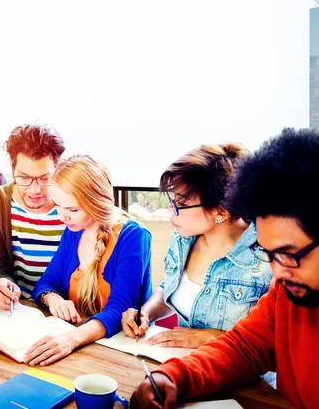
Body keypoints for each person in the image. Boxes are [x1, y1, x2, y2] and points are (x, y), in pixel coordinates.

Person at [131, 128, 319, 409]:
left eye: (288, 255)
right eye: (269, 254)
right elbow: (246, 348)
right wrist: (171, 376)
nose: (277, 274)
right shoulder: (286, 289)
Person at [121, 143, 272, 349]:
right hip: (184, 366)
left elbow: (276, 344)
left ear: (221, 211)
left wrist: (208, 338)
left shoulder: (269, 259)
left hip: (245, 379)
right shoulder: (183, 237)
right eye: (173, 200)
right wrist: (145, 313)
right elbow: (168, 288)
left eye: (181, 205)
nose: (170, 209)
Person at [24, 154, 153, 366]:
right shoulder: (74, 229)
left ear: (96, 202)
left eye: (72, 209)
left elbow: (119, 309)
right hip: (80, 347)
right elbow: (46, 282)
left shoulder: (134, 236)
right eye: (58, 205)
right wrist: (53, 299)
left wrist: (69, 340)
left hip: (117, 353)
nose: (62, 217)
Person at [0, 123, 66, 310]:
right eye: (24, 178)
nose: (34, 190)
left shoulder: (73, 204)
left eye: (45, 178)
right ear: (12, 171)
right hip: (19, 310)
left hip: (70, 311)